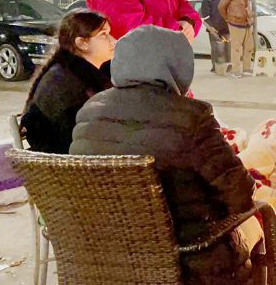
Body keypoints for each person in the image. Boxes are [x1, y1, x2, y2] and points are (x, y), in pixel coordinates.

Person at [70, 25, 257, 285]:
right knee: (254, 228)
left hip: (108, 261)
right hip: (189, 262)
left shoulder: (89, 111)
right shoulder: (193, 117)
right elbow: (240, 197)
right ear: (177, 65)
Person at [20, 10, 114, 154]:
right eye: (103, 35)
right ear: (82, 43)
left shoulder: (69, 69)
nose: (112, 40)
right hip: (68, 164)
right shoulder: (69, 80)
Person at [219, 0, 255, 78]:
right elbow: (221, 7)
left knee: (249, 47)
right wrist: (228, 18)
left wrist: (251, 15)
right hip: (235, 23)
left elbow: (248, 5)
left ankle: (247, 68)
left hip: (247, 23)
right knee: (236, 48)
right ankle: (235, 70)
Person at [200, 0, 232, 74]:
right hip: (228, 26)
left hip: (214, 27)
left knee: (216, 47)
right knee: (228, 46)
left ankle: (216, 66)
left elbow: (205, 12)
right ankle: (229, 65)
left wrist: (210, 26)